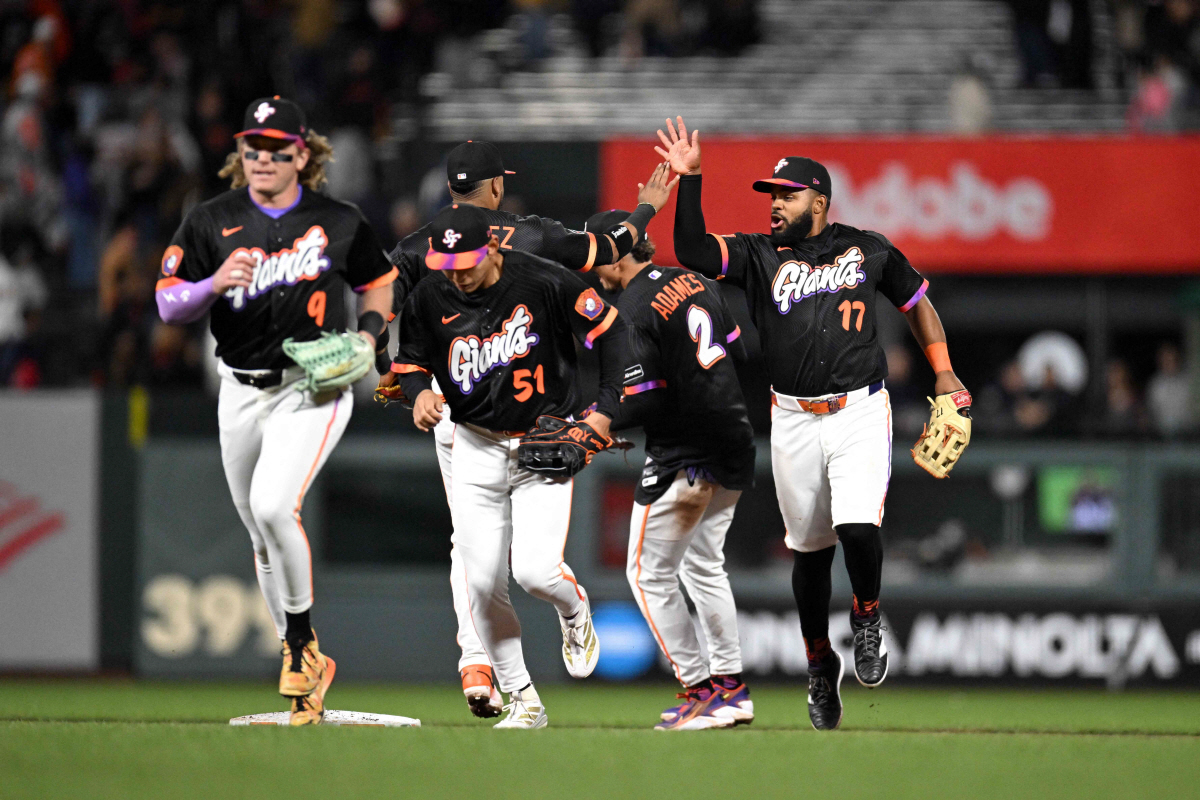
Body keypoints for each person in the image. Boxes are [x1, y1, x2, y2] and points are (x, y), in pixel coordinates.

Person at [658, 116, 970, 731]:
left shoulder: (868, 247)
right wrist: (689, 180)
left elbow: (916, 303)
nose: (774, 206)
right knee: (807, 554)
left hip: (859, 408)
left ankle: (867, 615)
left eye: (787, 195)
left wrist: (944, 372)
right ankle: (819, 663)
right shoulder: (756, 253)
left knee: (858, 526)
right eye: (771, 196)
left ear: (819, 201)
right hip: (793, 418)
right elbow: (692, 251)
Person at [377, 141, 668, 718]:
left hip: (543, 438)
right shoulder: (434, 278)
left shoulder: (539, 273)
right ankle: (523, 700)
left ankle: (573, 609)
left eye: (464, 264)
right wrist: (416, 392)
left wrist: (603, 412)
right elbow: (408, 358)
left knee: (534, 572)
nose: (455, 275)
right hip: (476, 441)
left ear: (490, 245)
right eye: (446, 265)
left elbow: (612, 331)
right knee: (480, 580)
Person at [155, 97, 396, 725]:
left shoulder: (338, 219)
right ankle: (308, 664)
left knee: (272, 506)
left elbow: (379, 278)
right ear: (241, 155)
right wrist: (212, 285)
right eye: (252, 148)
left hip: (312, 384)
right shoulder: (211, 221)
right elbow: (168, 303)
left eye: (275, 148)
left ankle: (296, 646)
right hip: (239, 389)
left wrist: (370, 337)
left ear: (301, 154)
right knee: (260, 537)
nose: (261, 158)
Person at [588, 204, 756, 731]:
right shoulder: (695, 280)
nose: (596, 270)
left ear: (615, 255)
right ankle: (731, 689)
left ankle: (701, 688)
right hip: (734, 437)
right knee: (704, 565)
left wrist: (603, 424)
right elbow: (739, 354)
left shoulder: (632, 307)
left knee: (647, 574)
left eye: (598, 257)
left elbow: (644, 396)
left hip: (687, 451)